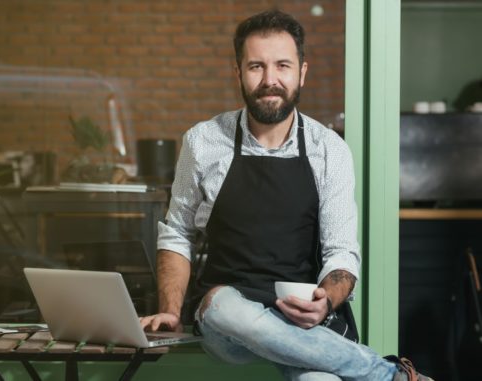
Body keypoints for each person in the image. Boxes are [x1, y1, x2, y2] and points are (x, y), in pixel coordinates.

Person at [139, 10, 433, 381]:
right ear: (238, 74)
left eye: (282, 65)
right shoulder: (203, 141)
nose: (270, 80)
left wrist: (326, 300)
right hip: (228, 322)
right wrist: (169, 309)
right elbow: (177, 234)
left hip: (304, 322)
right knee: (224, 306)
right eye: (256, 67)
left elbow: (341, 252)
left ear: (301, 73)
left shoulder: (329, 150)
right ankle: (390, 375)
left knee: (320, 380)